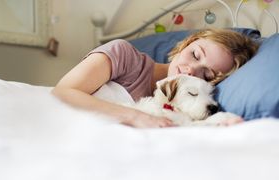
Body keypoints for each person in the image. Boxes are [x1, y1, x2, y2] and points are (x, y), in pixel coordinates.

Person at [52, 28, 259, 128]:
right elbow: (63, 92)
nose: (190, 71)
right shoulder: (123, 54)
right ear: (189, 41)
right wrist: (135, 117)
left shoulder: (186, 107)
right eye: (195, 55)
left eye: (206, 75)